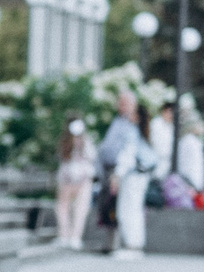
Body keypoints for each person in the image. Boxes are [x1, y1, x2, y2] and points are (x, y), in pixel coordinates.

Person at [96, 93, 151, 259]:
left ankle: (132, 246)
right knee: (131, 209)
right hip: (135, 175)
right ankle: (133, 245)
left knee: (127, 210)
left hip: (131, 176)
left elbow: (127, 156)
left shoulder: (132, 132)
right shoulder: (138, 131)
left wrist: (117, 175)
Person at [53, 118, 95, 251]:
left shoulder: (85, 143)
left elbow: (91, 158)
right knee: (66, 208)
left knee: (78, 209)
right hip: (69, 180)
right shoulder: (68, 144)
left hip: (79, 180)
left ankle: (73, 237)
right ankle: (66, 236)